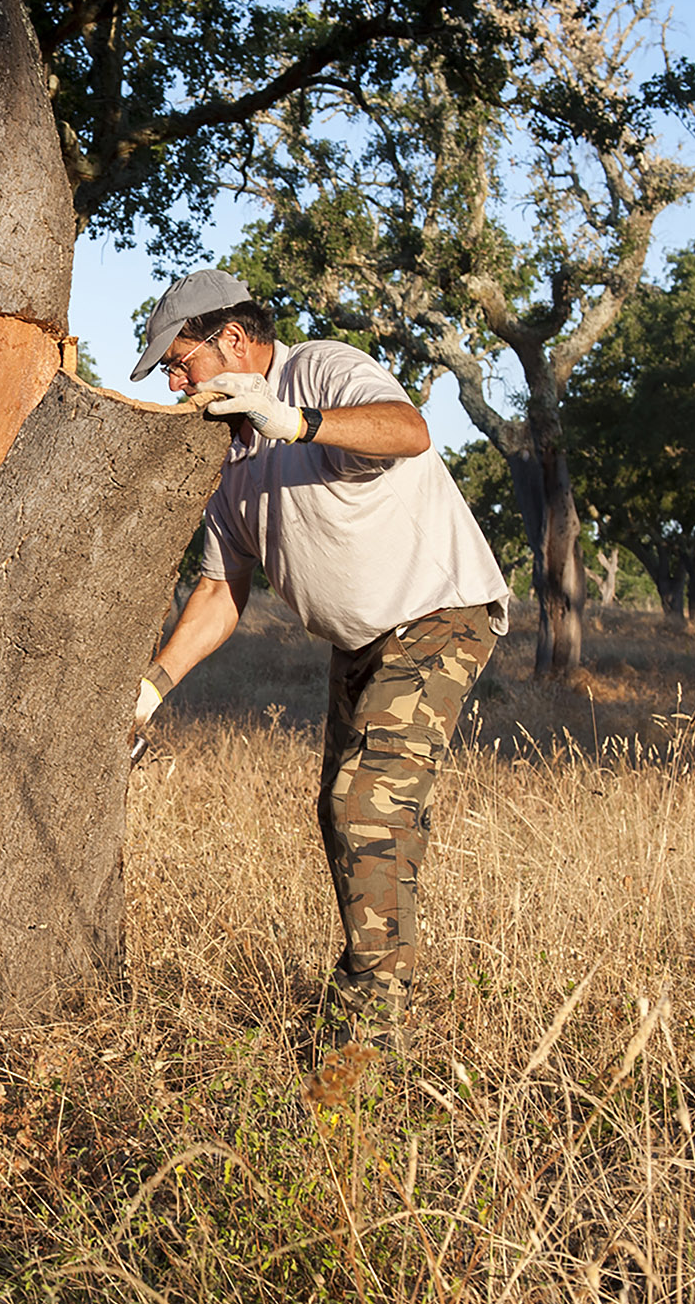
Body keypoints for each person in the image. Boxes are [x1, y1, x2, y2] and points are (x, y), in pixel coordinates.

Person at [129, 269, 510, 1055]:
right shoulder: (229, 461)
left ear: (232, 339)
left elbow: (408, 430)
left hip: (437, 613)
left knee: (363, 805)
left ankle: (364, 1048)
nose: (174, 382)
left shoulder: (317, 369)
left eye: (179, 360)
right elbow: (219, 595)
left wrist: (291, 420)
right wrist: (148, 691)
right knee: (351, 815)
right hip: (360, 642)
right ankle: (376, 991)